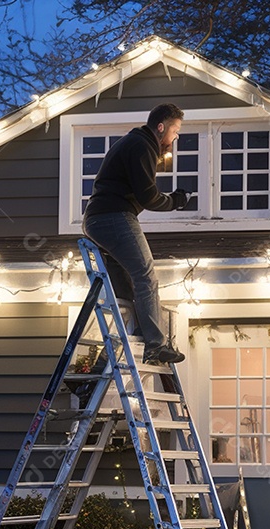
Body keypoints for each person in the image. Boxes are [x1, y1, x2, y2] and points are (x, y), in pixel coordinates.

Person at [83, 103, 191, 364]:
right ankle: (155, 344)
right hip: (113, 216)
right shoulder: (142, 146)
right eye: (175, 131)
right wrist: (176, 200)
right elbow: (149, 197)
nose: (176, 137)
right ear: (161, 127)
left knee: (128, 284)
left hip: (99, 219)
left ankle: (140, 335)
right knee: (145, 275)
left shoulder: (135, 143)